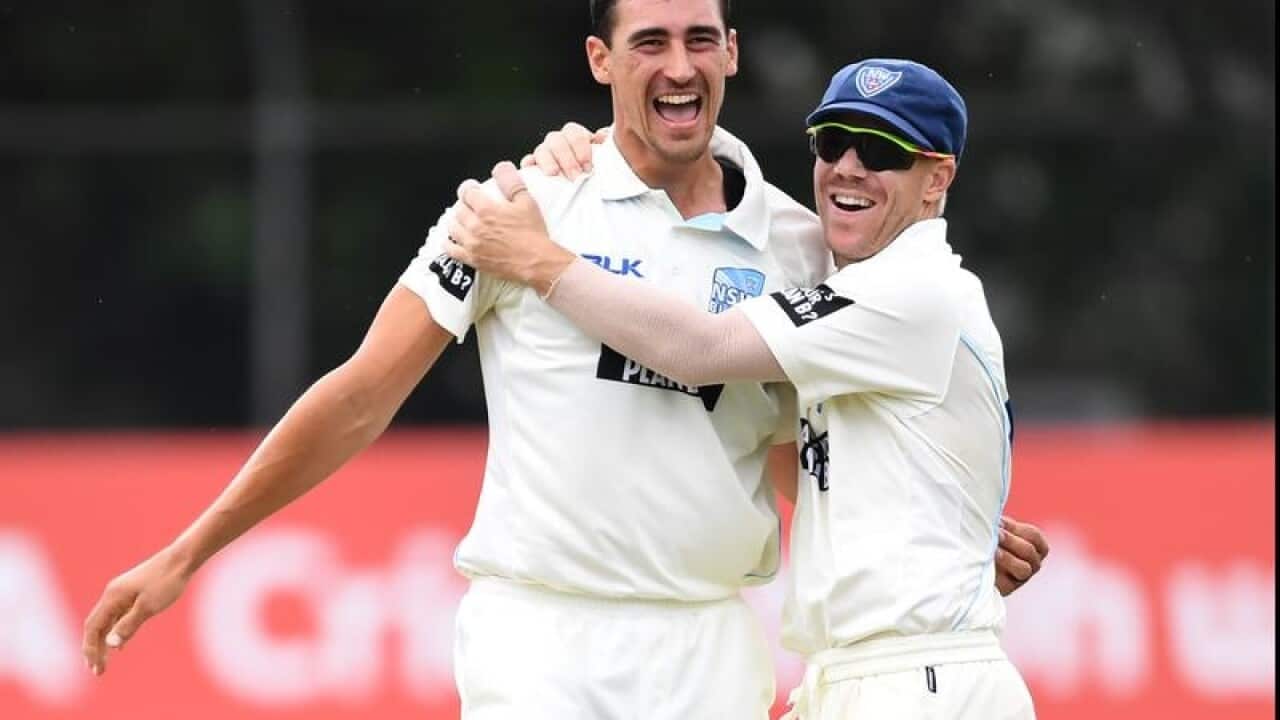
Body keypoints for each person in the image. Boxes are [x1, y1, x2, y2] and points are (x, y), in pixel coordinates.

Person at [81, 0, 1046, 715]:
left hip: (710, 645)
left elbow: (784, 448)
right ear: (601, 59)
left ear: (733, 53)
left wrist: (941, 535)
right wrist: (188, 550)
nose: (680, 66)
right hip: (538, 637)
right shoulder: (522, 208)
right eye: (650, 43)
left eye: (700, 39)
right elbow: (362, 395)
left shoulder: (799, 244)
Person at [445, 56, 1037, 719]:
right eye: (832, 142)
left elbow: (698, 351)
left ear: (938, 179)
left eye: (880, 150)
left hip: (914, 681)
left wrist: (537, 259)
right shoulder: (865, 297)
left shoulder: (911, 291)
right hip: (866, 676)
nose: (847, 166)